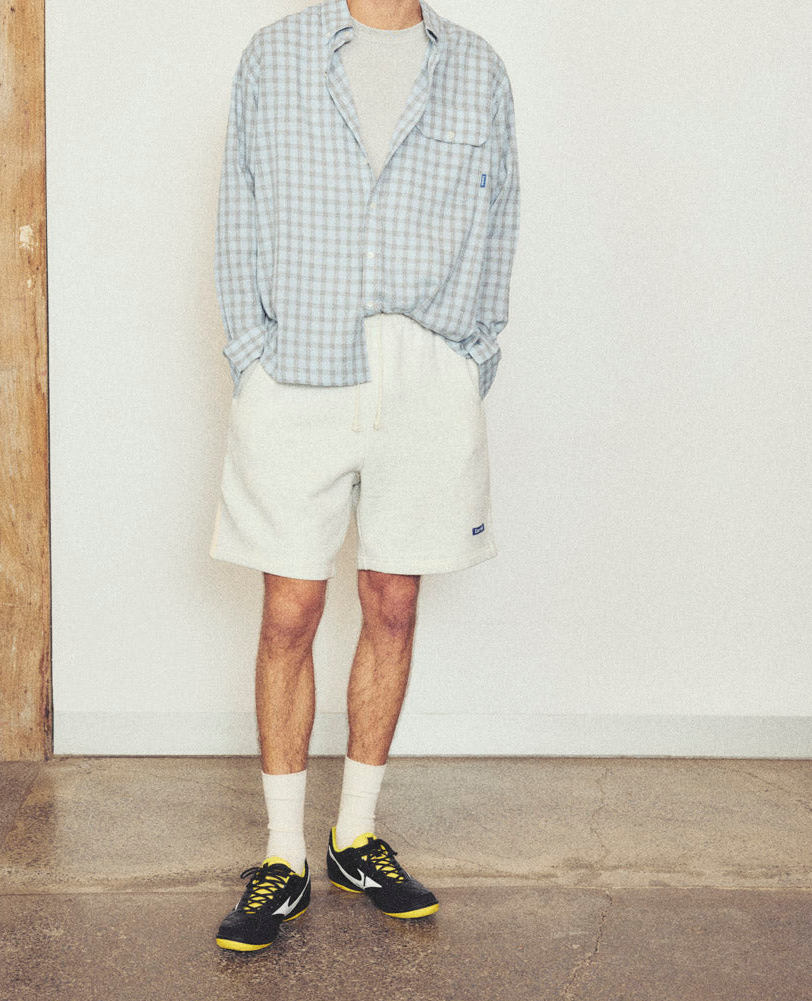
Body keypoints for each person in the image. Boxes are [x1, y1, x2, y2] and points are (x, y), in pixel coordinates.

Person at [209, 0, 520, 952]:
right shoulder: (276, 54)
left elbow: (499, 219)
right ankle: (281, 852)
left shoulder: (475, 67)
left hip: (425, 371)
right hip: (298, 365)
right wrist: (251, 354)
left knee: (392, 600)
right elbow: (238, 208)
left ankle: (354, 836)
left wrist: (467, 358)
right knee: (289, 609)